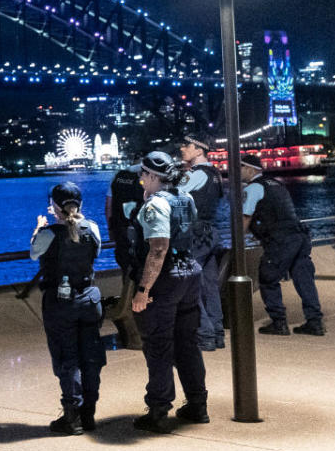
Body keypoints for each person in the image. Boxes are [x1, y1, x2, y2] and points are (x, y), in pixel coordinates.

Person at [131, 151, 208, 433]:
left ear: (153, 176)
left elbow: (159, 247)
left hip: (166, 280)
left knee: (158, 345)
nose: (140, 179)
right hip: (190, 272)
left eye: (143, 174)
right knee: (187, 343)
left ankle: (159, 410)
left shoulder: (156, 205)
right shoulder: (185, 198)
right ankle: (198, 405)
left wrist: (143, 289)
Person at [30, 182, 105, 435]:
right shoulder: (92, 228)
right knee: (90, 357)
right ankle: (89, 414)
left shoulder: (48, 234)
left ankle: (71, 416)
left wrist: (38, 228)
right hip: (89, 299)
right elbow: (96, 251)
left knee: (67, 358)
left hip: (60, 303)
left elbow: (33, 253)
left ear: (55, 207)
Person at [240, 154, 324, 336]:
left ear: (250, 169)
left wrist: (237, 241)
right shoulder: (277, 184)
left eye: (240, 168)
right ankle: (315, 322)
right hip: (299, 236)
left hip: (280, 240)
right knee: (303, 279)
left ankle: (279, 322)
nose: (239, 172)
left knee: (268, 278)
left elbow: (245, 219)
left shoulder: (254, 188)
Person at [178, 132, 225, 351]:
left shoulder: (195, 174)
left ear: (199, 150)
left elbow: (173, 195)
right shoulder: (214, 173)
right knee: (210, 287)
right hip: (211, 232)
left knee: (189, 285)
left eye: (186, 146)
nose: (182, 149)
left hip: (196, 235)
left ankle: (205, 335)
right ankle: (217, 332)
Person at [104, 159, 144, 349]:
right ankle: (144, 330)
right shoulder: (145, 177)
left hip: (122, 236)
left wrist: (112, 230)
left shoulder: (117, 177)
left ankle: (132, 329)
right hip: (142, 237)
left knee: (127, 278)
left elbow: (109, 208)